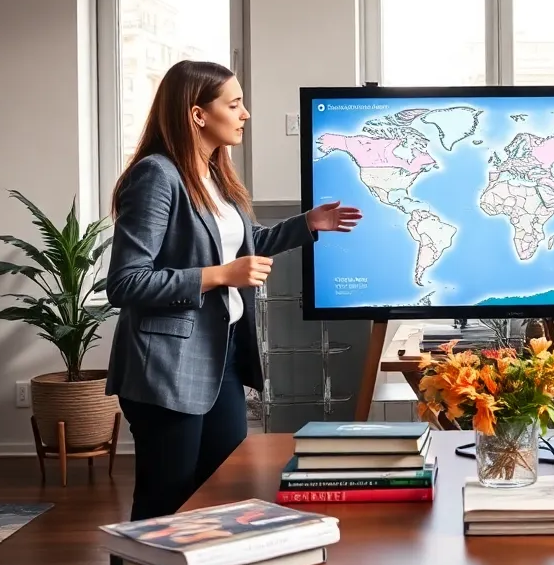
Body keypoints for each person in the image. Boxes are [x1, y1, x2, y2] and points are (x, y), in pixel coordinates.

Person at [104, 60, 362, 527]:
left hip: (219, 358)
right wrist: (219, 276)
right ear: (198, 114)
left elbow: (245, 246)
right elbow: (125, 282)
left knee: (223, 490)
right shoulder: (157, 175)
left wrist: (308, 224)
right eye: (235, 103)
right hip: (165, 366)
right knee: (165, 504)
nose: (246, 114)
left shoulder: (213, 175)